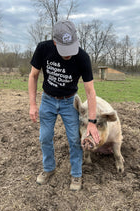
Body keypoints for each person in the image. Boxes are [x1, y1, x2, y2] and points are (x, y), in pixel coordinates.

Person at [28, 20, 100, 191]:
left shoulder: (82, 57)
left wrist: (92, 122)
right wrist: (32, 104)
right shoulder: (43, 49)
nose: (68, 55)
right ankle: (49, 169)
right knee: (44, 137)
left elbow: (90, 92)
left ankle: (76, 174)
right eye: (63, 50)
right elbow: (33, 76)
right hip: (48, 99)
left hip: (70, 102)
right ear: (55, 42)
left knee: (75, 139)